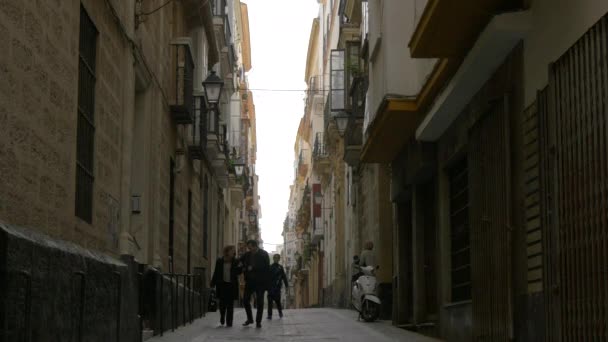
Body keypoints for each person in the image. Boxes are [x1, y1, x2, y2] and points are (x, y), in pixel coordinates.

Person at [239, 239, 270, 328]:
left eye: (250, 247)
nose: (249, 249)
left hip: (261, 282)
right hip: (249, 281)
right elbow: (239, 261)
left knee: (260, 302)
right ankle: (250, 318)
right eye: (248, 248)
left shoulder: (264, 254)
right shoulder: (247, 254)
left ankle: (258, 321)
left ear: (255, 246)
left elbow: (266, 268)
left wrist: (253, 267)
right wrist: (241, 266)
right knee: (245, 300)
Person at [210, 245, 242, 327]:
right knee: (222, 304)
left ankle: (229, 322)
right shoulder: (220, 261)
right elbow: (216, 272)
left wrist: (241, 267)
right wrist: (213, 283)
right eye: (232, 250)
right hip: (222, 284)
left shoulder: (236, 261)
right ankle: (222, 316)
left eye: (234, 250)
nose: (234, 252)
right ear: (227, 251)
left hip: (231, 285)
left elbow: (239, 272)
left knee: (230, 304)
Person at [267, 254, 289, 319]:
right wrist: (266, 286)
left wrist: (286, 285)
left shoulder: (280, 267)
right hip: (271, 287)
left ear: (279, 259)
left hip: (277, 287)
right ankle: (269, 315)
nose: (276, 259)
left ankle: (280, 313)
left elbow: (284, 277)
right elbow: (267, 278)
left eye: (277, 258)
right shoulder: (270, 267)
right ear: (273, 259)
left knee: (278, 301)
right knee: (270, 301)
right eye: (275, 258)